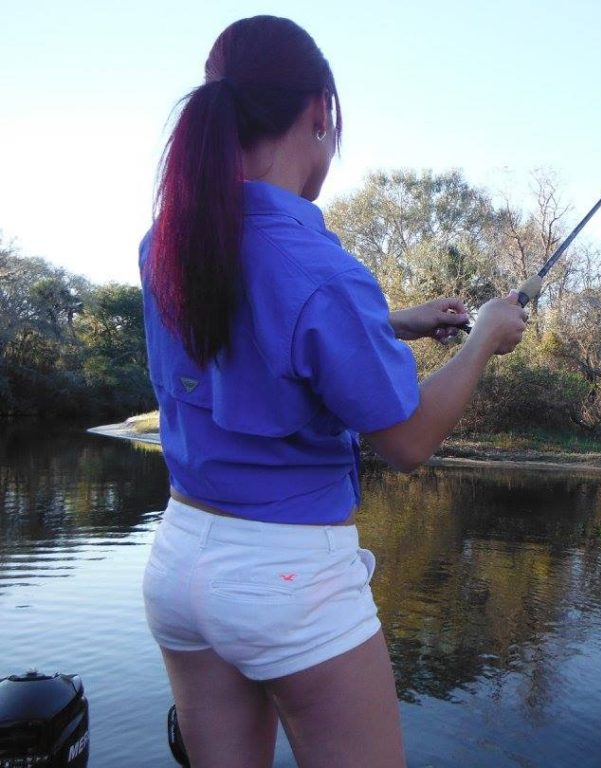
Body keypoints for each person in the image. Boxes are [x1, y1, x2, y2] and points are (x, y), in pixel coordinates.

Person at [139, 15, 527, 768]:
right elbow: (407, 440)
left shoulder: (169, 241)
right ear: (320, 111)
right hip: (286, 578)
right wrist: (483, 337)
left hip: (180, 561)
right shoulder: (320, 269)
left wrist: (394, 322)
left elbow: (256, 333)